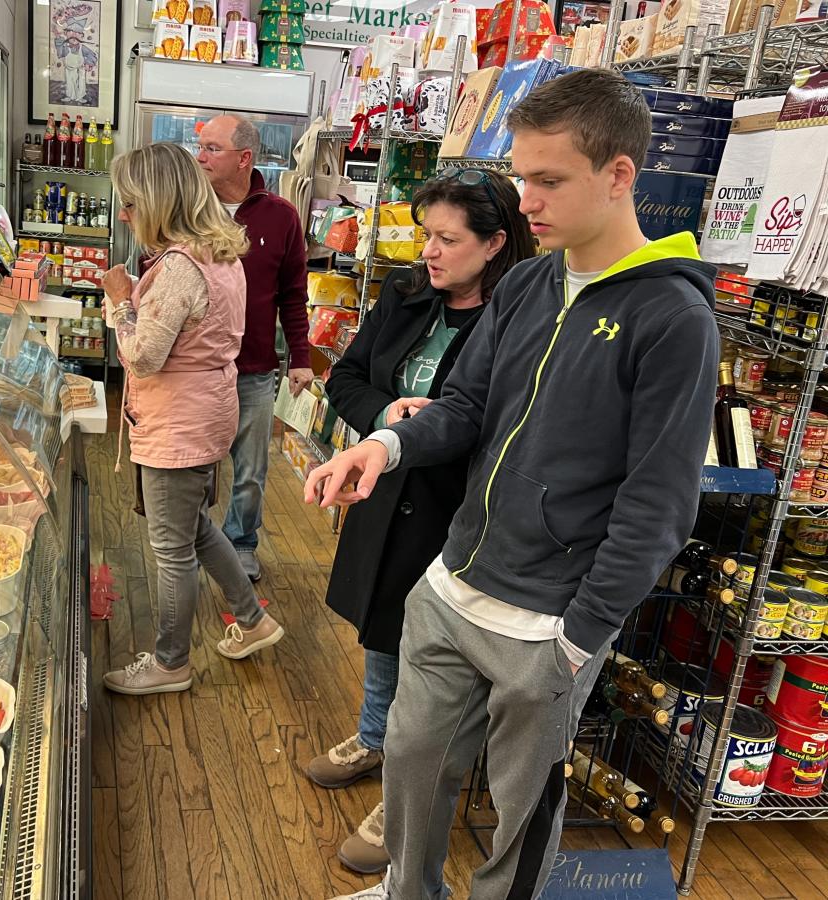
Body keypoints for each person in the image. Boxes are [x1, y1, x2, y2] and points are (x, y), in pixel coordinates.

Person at [307, 69, 719, 900]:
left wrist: (577, 639)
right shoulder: (530, 282)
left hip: (546, 624)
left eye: (549, 179)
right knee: (414, 772)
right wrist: (385, 446)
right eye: (522, 175)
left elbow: (659, 506)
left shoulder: (673, 318)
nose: (526, 199)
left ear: (619, 174)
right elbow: (464, 406)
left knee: (521, 821)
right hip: (451, 585)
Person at [309, 170, 534, 876]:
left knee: (435, 662)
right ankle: (375, 737)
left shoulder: (521, 317)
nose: (429, 252)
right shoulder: (404, 295)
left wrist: (426, 432)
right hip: (386, 491)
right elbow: (344, 377)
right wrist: (385, 419)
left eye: (447, 238)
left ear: (496, 243)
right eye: (424, 234)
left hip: (457, 513)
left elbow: (495, 423)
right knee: (383, 629)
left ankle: (405, 793)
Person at [100, 142, 285, 696]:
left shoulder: (180, 266)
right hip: (207, 412)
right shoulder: (221, 252)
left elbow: (143, 354)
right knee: (195, 528)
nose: (126, 215)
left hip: (176, 423)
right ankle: (252, 619)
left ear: (158, 201)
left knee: (171, 548)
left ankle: (170, 662)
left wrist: (118, 301)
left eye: (131, 204)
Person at [196, 114, 312, 583]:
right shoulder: (188, 209)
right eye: (199, 147)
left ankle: (242, 543)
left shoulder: (281, 217)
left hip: (256, 370)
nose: (200, 156)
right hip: (197, 371)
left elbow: (293, 294)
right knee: (195, 466)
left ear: (244, 158)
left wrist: (300, 357)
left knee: (249, 471)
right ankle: (193, 539)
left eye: (211, 148)